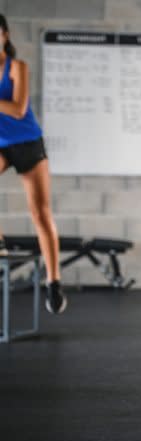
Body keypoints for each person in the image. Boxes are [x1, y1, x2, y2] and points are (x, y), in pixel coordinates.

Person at [0, 14, 67, 314]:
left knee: (40, 212)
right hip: (2, 144)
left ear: (5, 35)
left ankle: (53, 282)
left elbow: (17, 108)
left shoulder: (16, 67)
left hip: (28, 144)